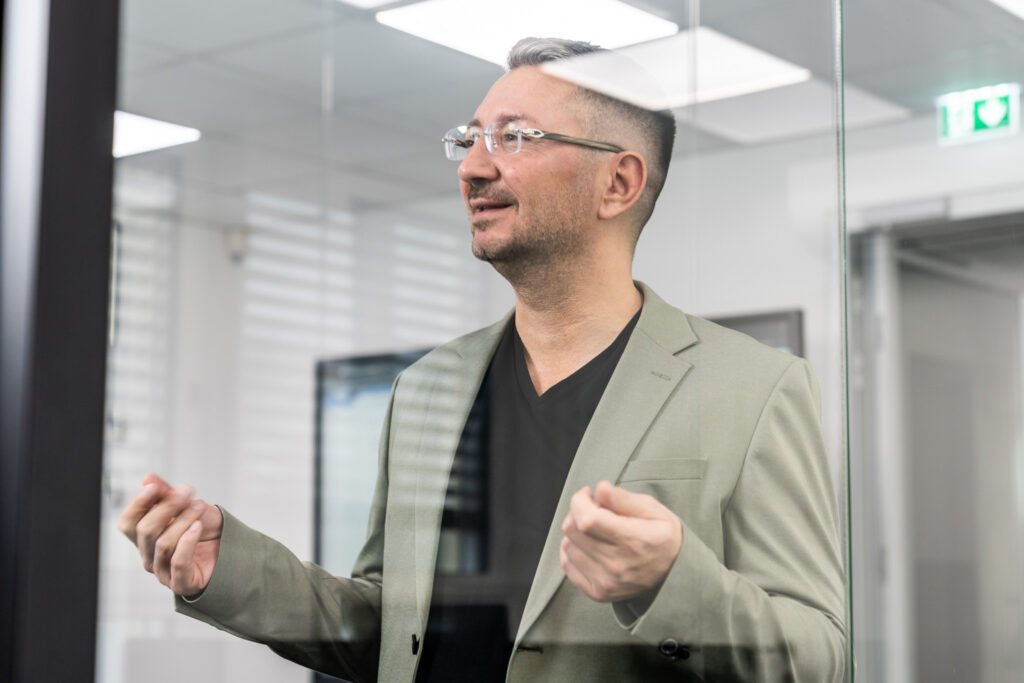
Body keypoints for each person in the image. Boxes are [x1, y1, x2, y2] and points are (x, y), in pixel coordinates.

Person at [118, 37, 846, 682]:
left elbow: (817, 656)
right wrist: (232, 570)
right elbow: (390, 631)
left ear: (617, 183)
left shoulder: (754, 389)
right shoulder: (426, 390)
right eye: (469, 138)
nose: (472, 166)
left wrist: (668, 581)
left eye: (514, 137)